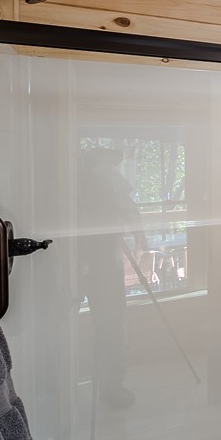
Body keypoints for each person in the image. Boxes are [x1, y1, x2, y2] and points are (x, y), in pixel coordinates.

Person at [76, 147, 143, 408]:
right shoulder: (98, 179)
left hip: (97, 255)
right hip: (97, 257)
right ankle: (110, 386)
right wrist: (137, 234)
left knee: (111, 323)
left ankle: (110, 386)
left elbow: (128, 209)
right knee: (111, 323)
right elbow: (128, 209)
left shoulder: (94, 177)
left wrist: (136, 235)